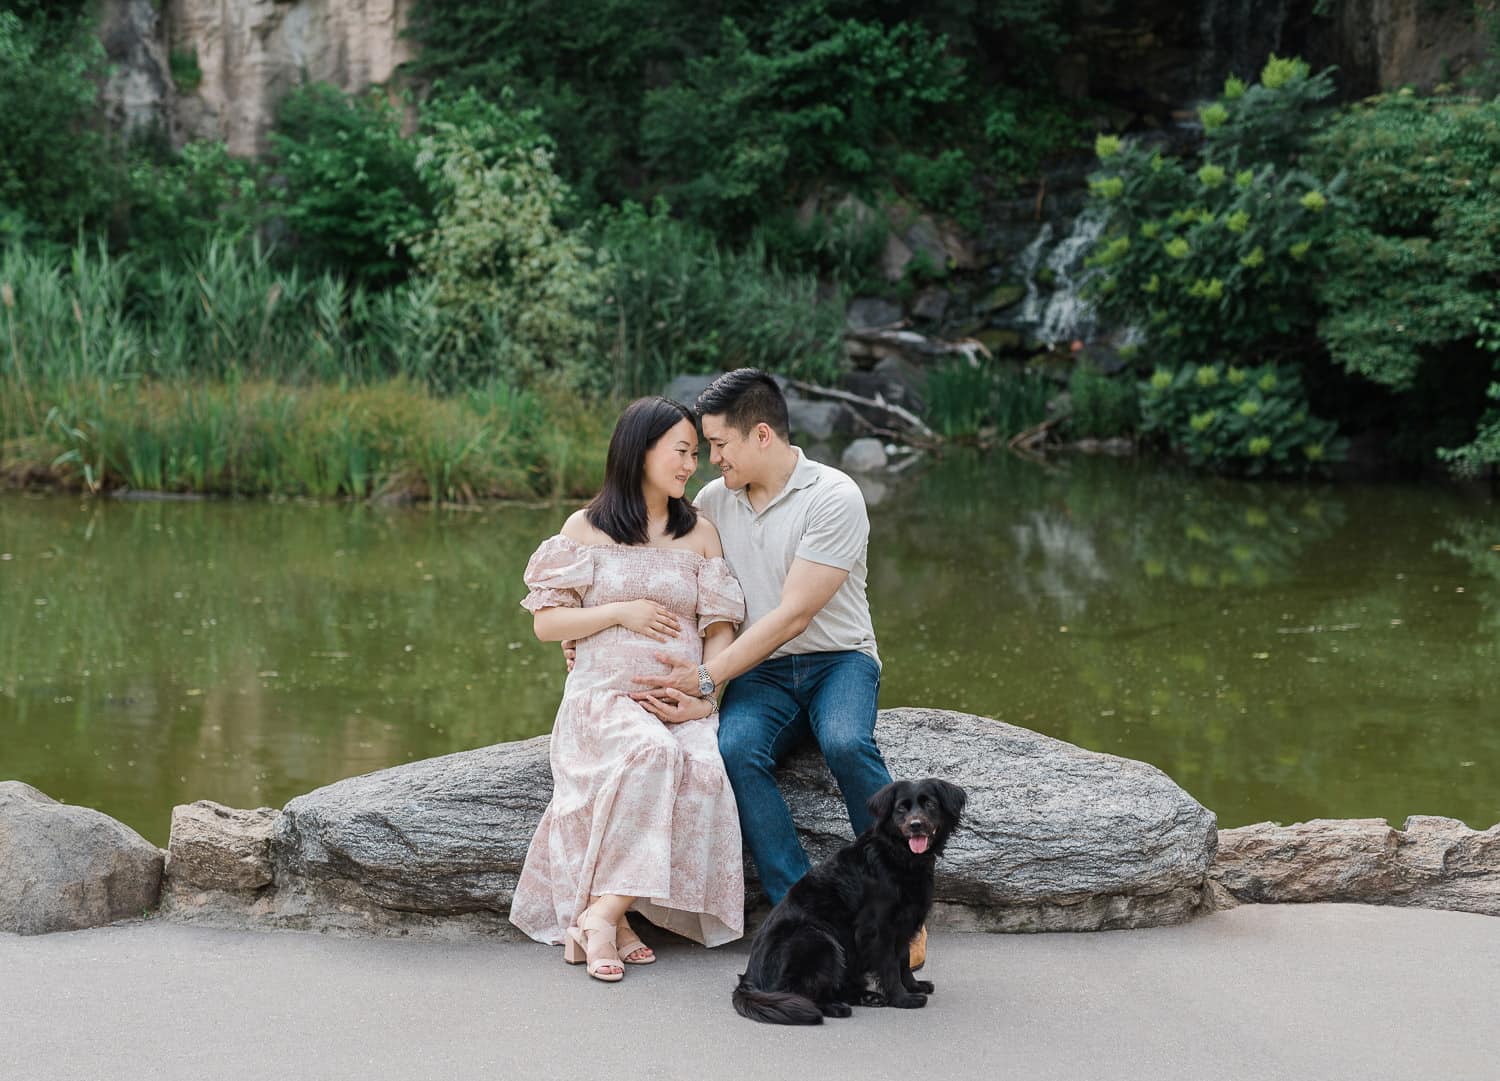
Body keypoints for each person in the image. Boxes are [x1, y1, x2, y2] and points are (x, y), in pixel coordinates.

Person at [632, 369, 912, 959]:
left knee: (844, 741)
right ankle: (804, 910)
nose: (711, 460)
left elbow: (793, 616)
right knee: (735, 750)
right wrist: (594, 619)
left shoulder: (834, 496)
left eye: (718, 444)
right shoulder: (713, 502)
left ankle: (898, 905)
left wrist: (708, 679)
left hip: (839, 660)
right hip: (763, 674)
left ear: (761, 435)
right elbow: (650, 555)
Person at [509, 396, 747, 983]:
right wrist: (622, 613)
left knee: (704, 767)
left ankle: (605, 912)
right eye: (681, 450)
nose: (692, 463)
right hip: (604, 699)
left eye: (696, 452)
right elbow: (548, 624)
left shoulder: (699, 534)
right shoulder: (583, 529)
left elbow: (719, 631)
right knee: (651, 753)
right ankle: (607, 919)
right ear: (639, 451)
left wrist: (705, 696)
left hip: (682, 702)